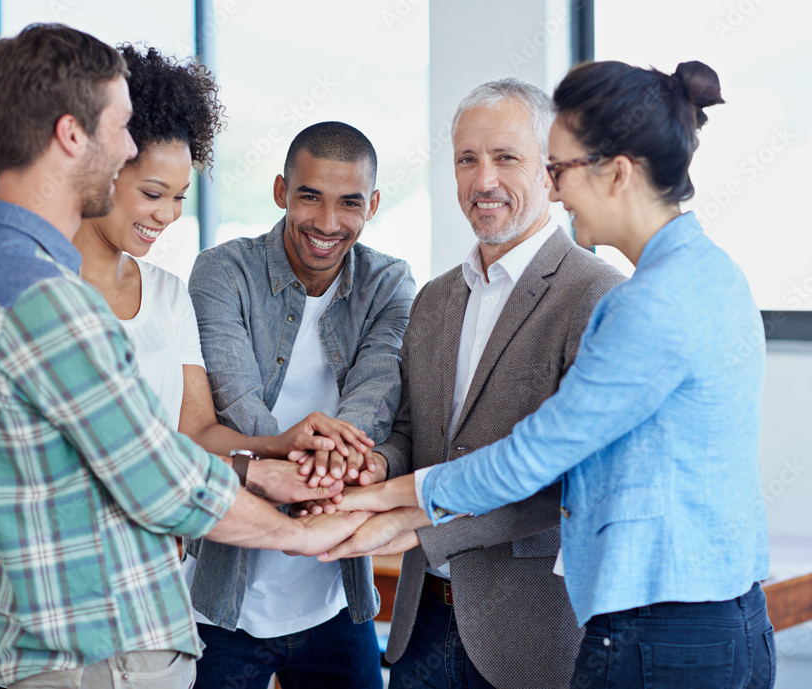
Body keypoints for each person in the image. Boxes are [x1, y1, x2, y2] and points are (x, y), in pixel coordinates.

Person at [0, 24, 368, 689]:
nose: (130, 145)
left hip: (53, 642)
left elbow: (159, 450)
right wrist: (308, 536)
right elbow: (162, 480)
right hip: (104, 649)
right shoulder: (49, 298)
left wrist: (263, 468)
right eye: (122, 128)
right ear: (73, 135)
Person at [328, 60, 775, 689]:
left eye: (555, 169)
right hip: (687, 619)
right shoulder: (706, 272)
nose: (558, 190)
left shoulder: (639, 300)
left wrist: (389, 504)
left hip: (656, 631)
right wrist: (380, 477)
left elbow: (537, 457)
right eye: (465, 159)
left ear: (616, 172)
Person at [317, 79, 623, 689]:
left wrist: (419, 526)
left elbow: (567, 482)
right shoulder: (433, 299)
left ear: (549, 172)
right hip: (422, 619)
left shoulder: (597, 295)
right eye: (467, 159)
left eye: (506, 158)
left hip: (532, 634)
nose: (483, 181)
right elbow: (412, 433)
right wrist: (372, 468)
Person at [72, 45, 369, 506]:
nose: (167, 215)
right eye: (153, 193)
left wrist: (280, 446)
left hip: (158, 563)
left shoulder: (167, 294)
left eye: (180, 198)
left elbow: (198, 433)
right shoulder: (44, 295)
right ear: (99, 172)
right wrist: (263, 473)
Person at [183, 121, 416, 689]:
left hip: (333, 599)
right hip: (219, 605)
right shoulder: (222, 271)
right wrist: (314, 474)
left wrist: (322, 466)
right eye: (310, 196)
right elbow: (235, 406)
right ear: (281, 191)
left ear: (374, 204)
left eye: (350, 203)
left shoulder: (389, 283)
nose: (328, 223)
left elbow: (376, 396)